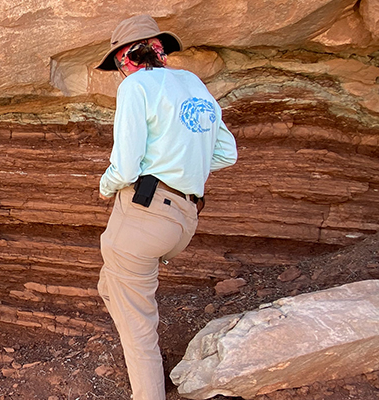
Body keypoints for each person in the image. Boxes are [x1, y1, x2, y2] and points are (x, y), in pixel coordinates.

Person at [93, 14, 238, 400]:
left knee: (138, 328)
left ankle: (148, 389)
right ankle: (134, 325)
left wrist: (105, 187)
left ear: (125, 60)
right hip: (183, 220)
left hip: (143, 216)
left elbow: (124, 166)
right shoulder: (192, 83)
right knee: (110, 286)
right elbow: (227, 153)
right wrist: (184, 164)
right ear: (160, 49)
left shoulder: (136, 87)